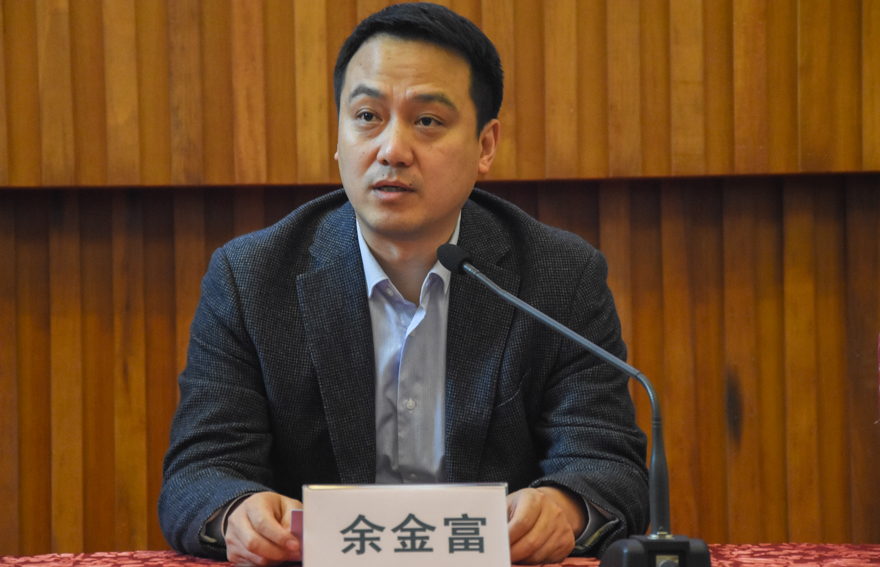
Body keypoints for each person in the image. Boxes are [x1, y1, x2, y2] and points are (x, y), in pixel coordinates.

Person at [159, 3, 648, 565]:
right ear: (339, 136)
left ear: (485, 146)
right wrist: (236, 511)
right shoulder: (251, 279)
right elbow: (200, 472)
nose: (392, 150)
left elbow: (609, 465)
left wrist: (565, 506)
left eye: (427, 121)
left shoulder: (559, 277)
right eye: (367, 116)